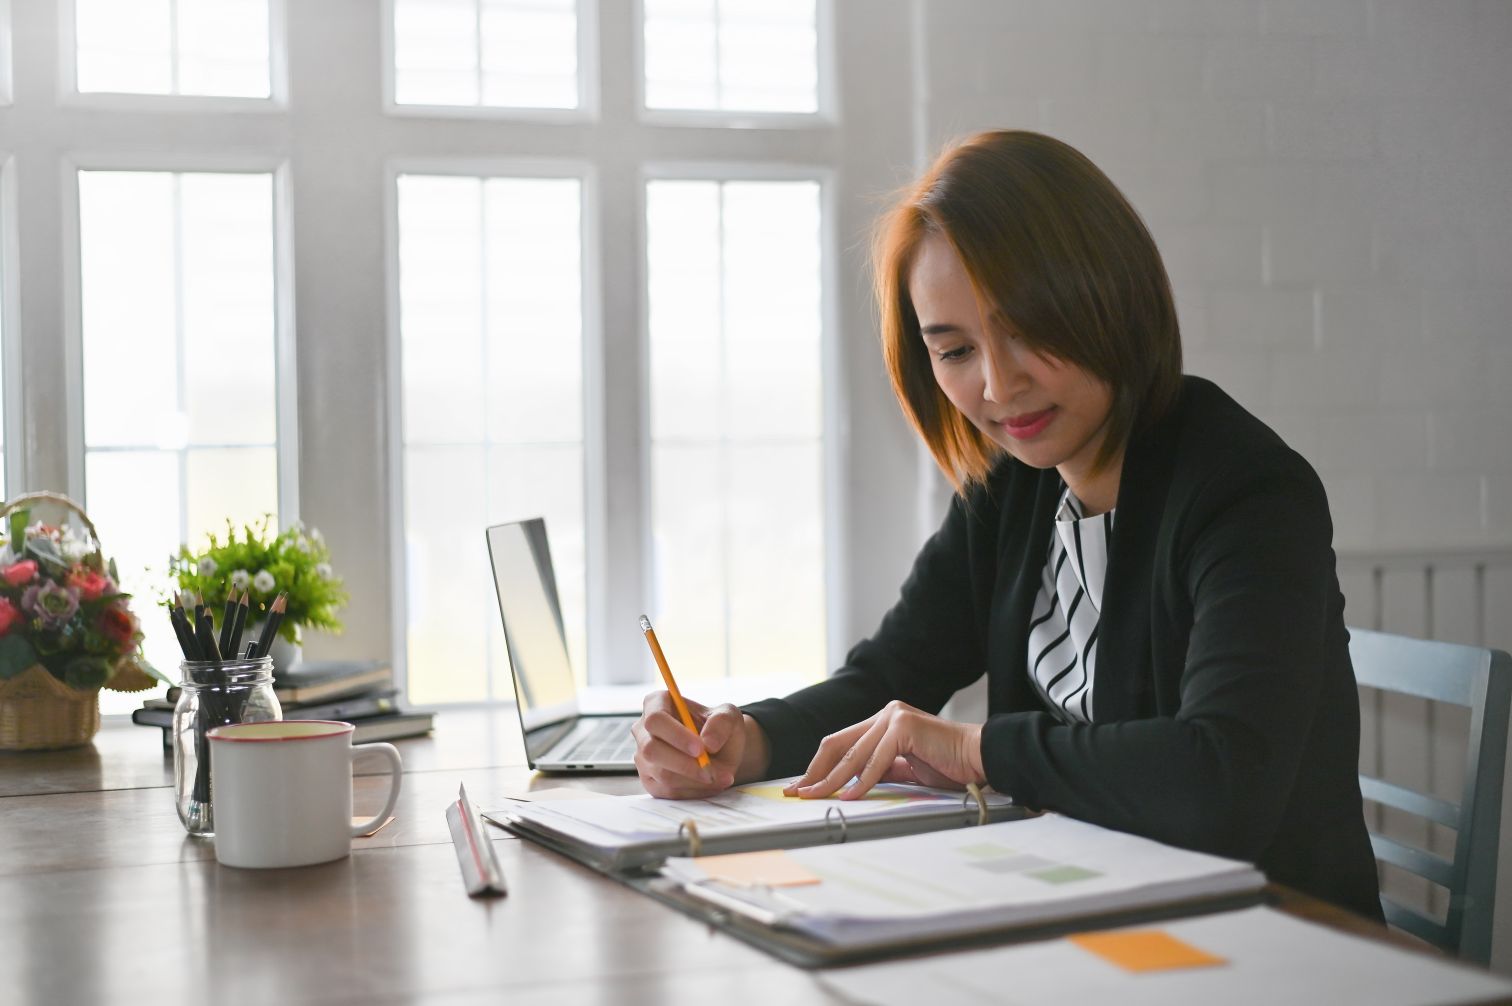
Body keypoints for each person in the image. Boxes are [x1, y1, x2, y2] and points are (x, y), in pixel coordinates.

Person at [630, 129, 1382, 920]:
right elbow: (890, 679)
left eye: (1025, 329)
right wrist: (743, 742)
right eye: (955, 351)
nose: (998, 384)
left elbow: (1219, 782)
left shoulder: (1248, 492)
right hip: (1090, 912)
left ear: (1111, 296)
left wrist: (973, 748)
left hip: (1274, 935)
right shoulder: (1014, 484)